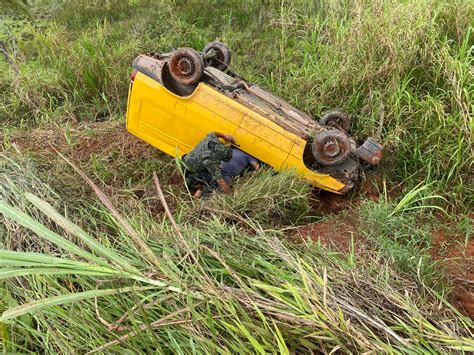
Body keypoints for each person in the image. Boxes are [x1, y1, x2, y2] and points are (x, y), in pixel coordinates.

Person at [182, 132, 236, 197]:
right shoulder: (210, 161)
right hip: (190, 170)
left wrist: (224, 135)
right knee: (213, 181)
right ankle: (201, 194)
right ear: (218, 156)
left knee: (215, 170)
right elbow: (220, 181)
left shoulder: (212, 139)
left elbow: (213, 132)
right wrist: (231, 195)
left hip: (185, 159)